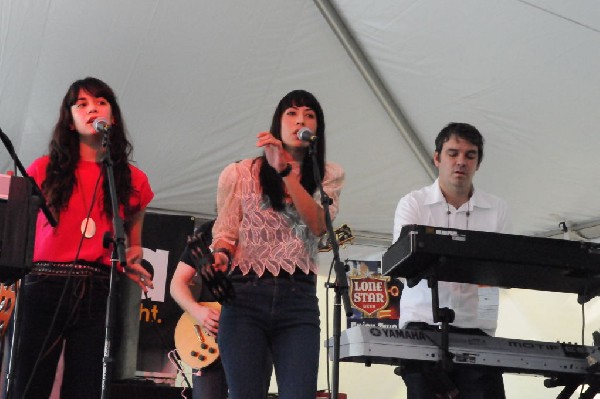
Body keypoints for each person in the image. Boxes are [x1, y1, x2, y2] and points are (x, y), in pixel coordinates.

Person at [10, 77, 154, 399]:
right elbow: (18, 229)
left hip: (96, 287)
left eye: (101, 102)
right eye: (82, 104)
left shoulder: (132, 179)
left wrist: (133, 255)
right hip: (43, 283)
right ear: (70, 121)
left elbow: (133, 238)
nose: (92, 109)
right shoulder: (43, 169)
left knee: (85, 385)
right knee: (28, 383)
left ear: (112, 117)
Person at [207, 90, 344, 399]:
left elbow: (319, 225)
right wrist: (220, 256)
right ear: (277, 123)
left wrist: (285, 172)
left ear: (317, 129)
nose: (300, 121)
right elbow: (226, 232)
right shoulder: (241, 173)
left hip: (298, 300)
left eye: (309, 115)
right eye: (291, 114)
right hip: (243, 296)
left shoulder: (328, 176)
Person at [392, 122, 511, 398]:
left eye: (470, 155)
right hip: (421, 325)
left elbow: (502, 272)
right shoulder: (413, 203)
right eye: (453, 153)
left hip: (475, 327)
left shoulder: (497, 209)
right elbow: (401, 268)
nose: (461, 162)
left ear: (478, 163)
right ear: (437, 158)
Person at [170, 219, 228, 399]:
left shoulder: (264, 230)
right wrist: (197, 311)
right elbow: (177, 283)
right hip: (209, 335)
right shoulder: (208, 232)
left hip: (251, 334)